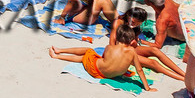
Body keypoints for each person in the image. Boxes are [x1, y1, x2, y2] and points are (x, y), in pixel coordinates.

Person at [47, 20, 176, 89]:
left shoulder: (109, 47)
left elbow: (104, 58)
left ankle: (59, 52)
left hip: (97, 71)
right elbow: (140, 70)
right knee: (85, 57)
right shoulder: (131, 52)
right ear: (132, 41)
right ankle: (58, 53)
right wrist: (147, 88)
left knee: (88, 51)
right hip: (106, 75)